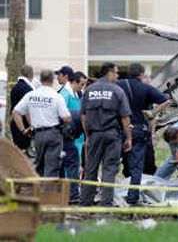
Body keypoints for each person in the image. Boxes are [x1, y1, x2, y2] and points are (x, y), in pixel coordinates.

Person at [116, 63, 170, 206]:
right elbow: (166, 100)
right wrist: (152, 113)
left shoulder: (118, 85)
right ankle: (132, 197)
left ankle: (108, 195)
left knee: (113, 164)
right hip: (138, 131)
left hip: (118, 129)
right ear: (141, 74)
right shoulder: (145, 88)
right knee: (137, 166)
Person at [80, 62, 132, 207]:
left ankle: (85, 203)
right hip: (112, 135)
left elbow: (83, 116)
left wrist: (88, 135)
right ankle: (106, 204)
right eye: (116, 73)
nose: (117, 75)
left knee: (91, 168)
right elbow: (125, 117)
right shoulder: (117, 91)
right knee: (109, 169)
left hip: (94, 135)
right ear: (109, 73)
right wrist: (128, 138)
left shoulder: (89, 90)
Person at [12, 69, 71, 177]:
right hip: (53, 134)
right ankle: (48, 192)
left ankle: (38, 192)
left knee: (39, 166)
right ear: (52, 80)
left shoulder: (31, 95)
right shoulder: (56, 96)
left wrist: (24, 130)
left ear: (40, 80)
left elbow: (15, 112)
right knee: (52, 167)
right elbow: (66, 118)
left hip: (37, 135)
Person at [59, 71, 87, 203]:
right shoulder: (65, 94)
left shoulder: (77, 94)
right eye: (81, 84)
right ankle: (68, 192)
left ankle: (73, 189)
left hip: (78, 135)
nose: (82, 87)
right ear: (74, 82)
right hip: (69, 134)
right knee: (68, 165)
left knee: (76, 165)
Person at [10, 65, 35, 151]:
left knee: (17, 151)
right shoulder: (28, 89)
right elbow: (27, 110)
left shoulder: (15, 87)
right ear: (31, 75)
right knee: (24, 153)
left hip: (14, 123)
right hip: (24, 126)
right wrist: (32, 126)